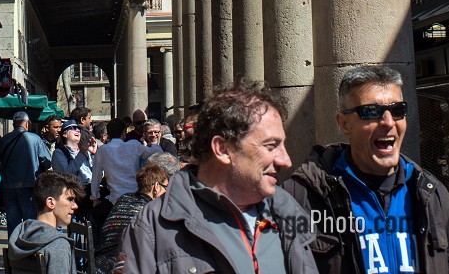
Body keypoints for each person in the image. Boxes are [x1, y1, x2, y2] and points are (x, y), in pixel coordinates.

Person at [283, 65, 449, 274]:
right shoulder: (301, 198)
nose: (388, 122)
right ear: (344, 124)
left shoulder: (433, 195)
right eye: (372, 112)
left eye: (397, 110)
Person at [120, 82, 317, 274]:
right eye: (270, 146)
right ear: (223, 149)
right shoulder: (152, 228)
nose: (286, 161)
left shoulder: (289, 213)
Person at [95, 163, 169, 274]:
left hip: (98, 264)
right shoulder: (150, 210)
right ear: (156, 187)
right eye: (166, 187)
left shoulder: (124, 198)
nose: (167, 192)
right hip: (120, 268)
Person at [7, 171, 83, 274]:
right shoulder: (58, 246)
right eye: (70, 199)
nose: (75, 206)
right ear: (51, 203)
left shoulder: (19, 237)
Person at [0, 111, 53, 233]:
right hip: (29, 186)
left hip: (9, 187)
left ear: (14, 123)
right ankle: (29, 249)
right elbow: (47, 162)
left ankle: (14, 250)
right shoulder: (35, 139)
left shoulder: (4, 140)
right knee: (30, 223)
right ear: (26, 124)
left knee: (13, 224)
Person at [90, 117, 146, 221]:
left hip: (115, 200)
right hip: (135, 198)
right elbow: (154, 153)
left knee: (96, 218)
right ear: (124, 132)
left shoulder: (102, 151)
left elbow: (95, 178)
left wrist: (95, 199)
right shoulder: (134, 145)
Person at [52, 120, 94, 187]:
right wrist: (81, 154)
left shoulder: (86, 151)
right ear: (65, 134)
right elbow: (66, 175)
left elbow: (98, 174)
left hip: (91, 189)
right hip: (74, 191)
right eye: (73, 128)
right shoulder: (59, 153)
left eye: (79, 129)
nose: (78, 131)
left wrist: (95, 154)